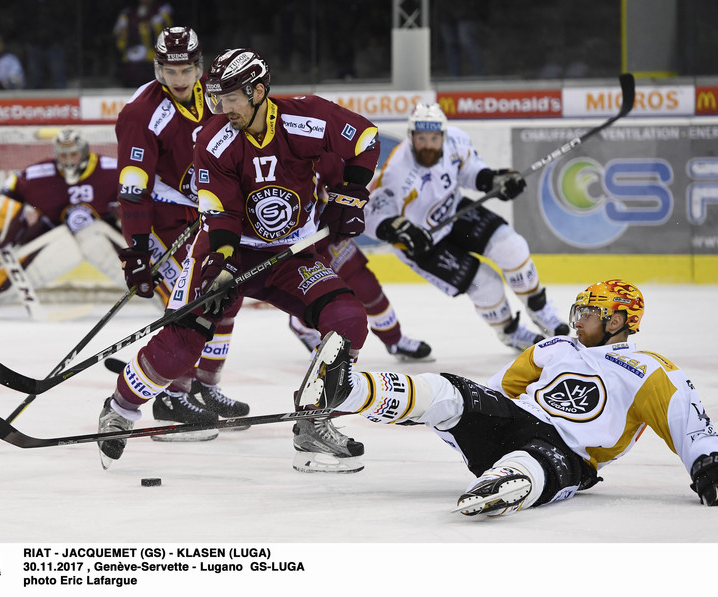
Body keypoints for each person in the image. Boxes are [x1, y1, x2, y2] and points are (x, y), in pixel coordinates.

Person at [99, 47, 380, 474]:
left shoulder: (307, 116)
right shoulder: (213, 139)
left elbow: (365, 140)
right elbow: (221, 213)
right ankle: (120, 409)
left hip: (292, 254)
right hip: (228, 248)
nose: (222, 107)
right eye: (217, 97)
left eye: (231, 98)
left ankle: (314, 420)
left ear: (259, 91)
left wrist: (351, 196)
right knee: (180, 347)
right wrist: (223, 262)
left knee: (348, 320)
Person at [298, 279, 718, 516]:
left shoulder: (647, 370)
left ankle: (500, 485)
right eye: (578, 311)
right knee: (449, 390)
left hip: (572, 453)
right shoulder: (553, 348)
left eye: (588, 313)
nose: (577, 321)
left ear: (619, 320)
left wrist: (708, 463)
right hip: (515, 421)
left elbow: (688, 420)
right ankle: (346, 388)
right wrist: (459, 408)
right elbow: (497, 392)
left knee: (535, 460)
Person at [114, 26, 247, 440]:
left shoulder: (216, 95)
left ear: (199, 67)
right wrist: (137, 252)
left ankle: (206, 387)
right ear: (158, 68)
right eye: (170, 71)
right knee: (192, 304)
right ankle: (173, 395)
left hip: (205, 216)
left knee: (228, 292)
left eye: (187, 69)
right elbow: (133, 189)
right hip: (162, 223)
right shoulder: (141, 113)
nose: (179, 79)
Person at [367, 102, 567, 352]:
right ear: (411, 137)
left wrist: (492, 179)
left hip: (454, 211)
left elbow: (469, 171)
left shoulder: (457, 141)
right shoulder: (396, 171)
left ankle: (540, 310)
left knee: (512, 247)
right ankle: (511, 334)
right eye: (421, 138)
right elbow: (371, 212)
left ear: (443, 135)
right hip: (422, 242)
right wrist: (394, 227)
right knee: (487, 284)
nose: (428, 145)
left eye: (433, 138)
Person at [0, 128, 125, 318]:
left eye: (73, 154)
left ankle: (164, 293)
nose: (68, 160)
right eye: (63, 155)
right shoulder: (40, 174)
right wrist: (2, 219)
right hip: (53, 231)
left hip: (102, 230)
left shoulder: (112, 170)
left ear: (85, 152)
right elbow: (13, 186)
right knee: (21, 263)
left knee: (130, 257)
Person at [288, 153, 432, 362]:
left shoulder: (310, 146)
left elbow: (340, 181)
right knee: (311, 295)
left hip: (324, 232)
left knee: (365, 285)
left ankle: (395, 339)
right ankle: (302, 325)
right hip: (289, 241)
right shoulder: (258, 156)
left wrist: (342, 208)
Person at [113, 0, 173, 87]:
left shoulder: (162, 12)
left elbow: (169, 33)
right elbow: (117, 33)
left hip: (152, 51)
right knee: (128, 66)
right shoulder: (127, 14)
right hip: (131, 51)